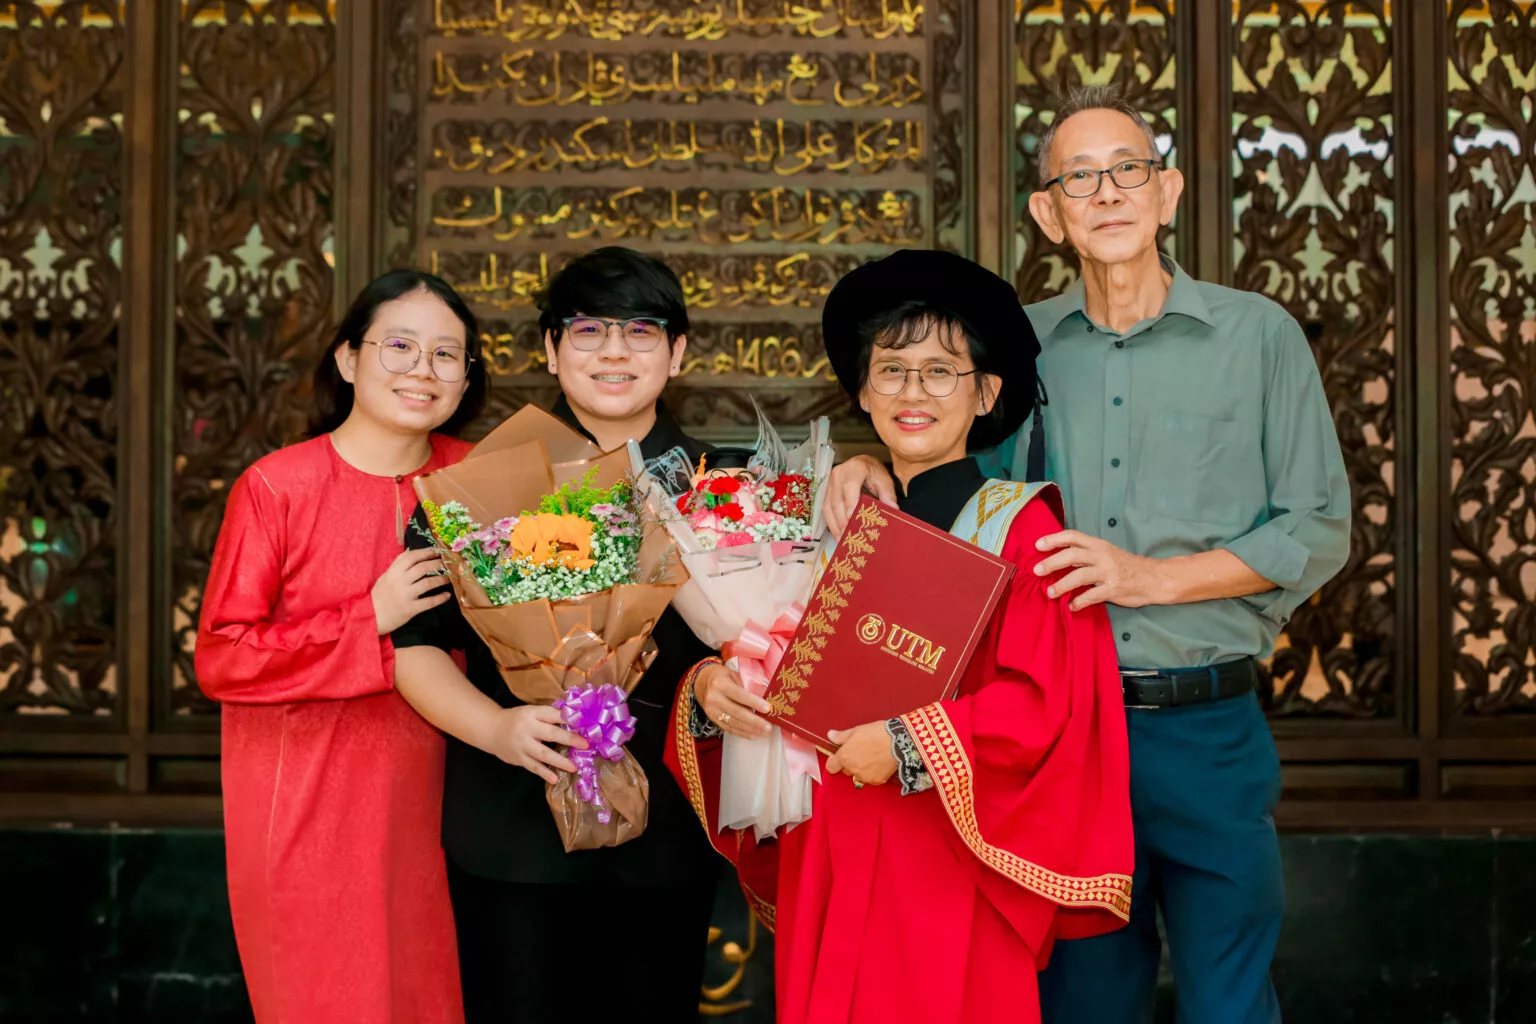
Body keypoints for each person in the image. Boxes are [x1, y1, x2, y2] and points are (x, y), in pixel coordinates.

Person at [825, 85, 1351, 1024]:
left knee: (1229, 1001)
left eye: (1128, 171)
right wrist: (868, 459)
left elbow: (1315, 527)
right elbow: (946, 467)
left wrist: (1151, 578)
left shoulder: (1256, 336)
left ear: (1169, 190)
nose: (1106, 193)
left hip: (1204, 724)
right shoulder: (1019, 351)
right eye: (1079, 177)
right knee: (1081, 1000)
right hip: (1057, 736)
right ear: (1048, 212)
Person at [671, 249, 1134, 1024]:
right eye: (891, 370)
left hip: (947, 851)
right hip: (830, 843)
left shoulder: (1023, 530)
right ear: (862, 389)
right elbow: (762, 652)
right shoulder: (821, 525)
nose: (912, 392)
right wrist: (715, 691)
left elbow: (1047, 705)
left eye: (941, 371)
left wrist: (910, 740)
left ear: (986, 393)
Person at [390, 247, 720, 1023]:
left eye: (641, 330)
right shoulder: (477, 484)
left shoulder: (724, 487)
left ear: (678, 353)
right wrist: (499, 728)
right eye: (588, 330)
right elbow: (416, 648)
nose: (613, 351)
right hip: (511, 833)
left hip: (669, 836)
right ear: (549, 349)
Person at [196, 270, 489, 1022]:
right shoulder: (276, 488)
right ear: (348, 358)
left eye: (446, 355)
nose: (423, 370)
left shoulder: (481, 481)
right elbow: (223, 656)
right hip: (308, 807)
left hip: (453, 811)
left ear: (466, 377)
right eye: (399, 346)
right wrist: (370, 615)